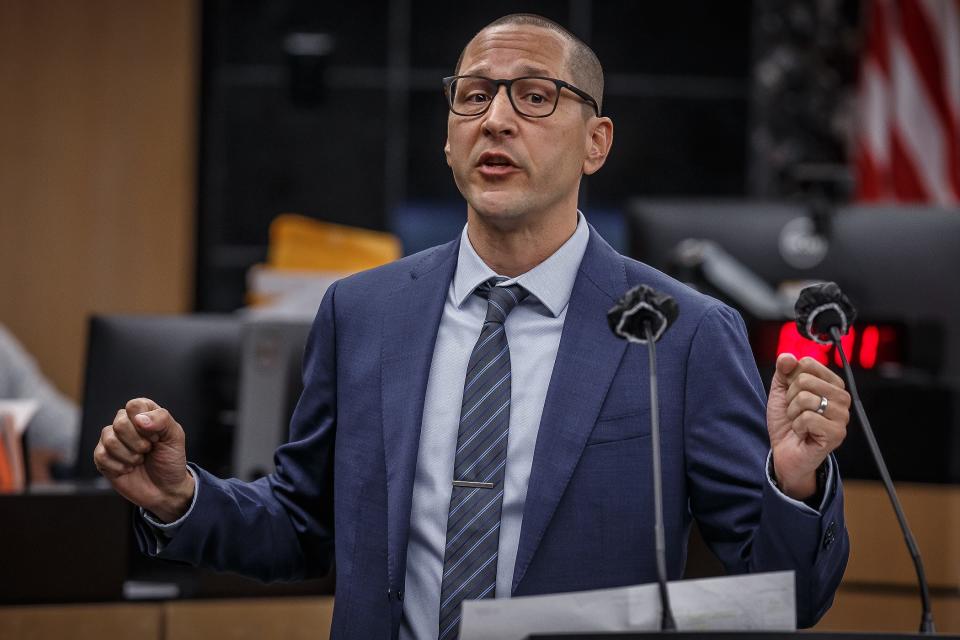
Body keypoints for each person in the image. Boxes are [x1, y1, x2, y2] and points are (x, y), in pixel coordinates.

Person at [94, 13, 850, 640]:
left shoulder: (681, 334)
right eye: (474, 96)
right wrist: (179, 497)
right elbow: (301, 523)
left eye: (534, 97)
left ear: (597, 142)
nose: (495, 119)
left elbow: (783, 596)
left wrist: (793, 480)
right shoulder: (362, 313)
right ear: (448, 135)